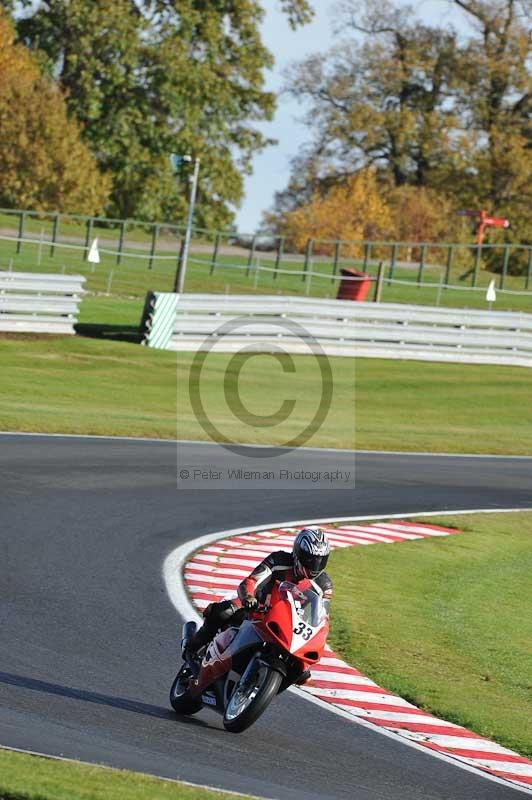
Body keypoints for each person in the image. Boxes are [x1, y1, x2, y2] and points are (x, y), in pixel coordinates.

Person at [182, 527, 332, 662]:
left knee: (303, 672)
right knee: (223, 612)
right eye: (310, 559)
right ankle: (192, 647)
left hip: (288, 625)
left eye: (320, 560)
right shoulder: (278, 560)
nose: (315, 565)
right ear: (298, 553)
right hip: (257, 609)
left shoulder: (324, 585)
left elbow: (321, 617)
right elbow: (251, 581)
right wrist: (248, 597)